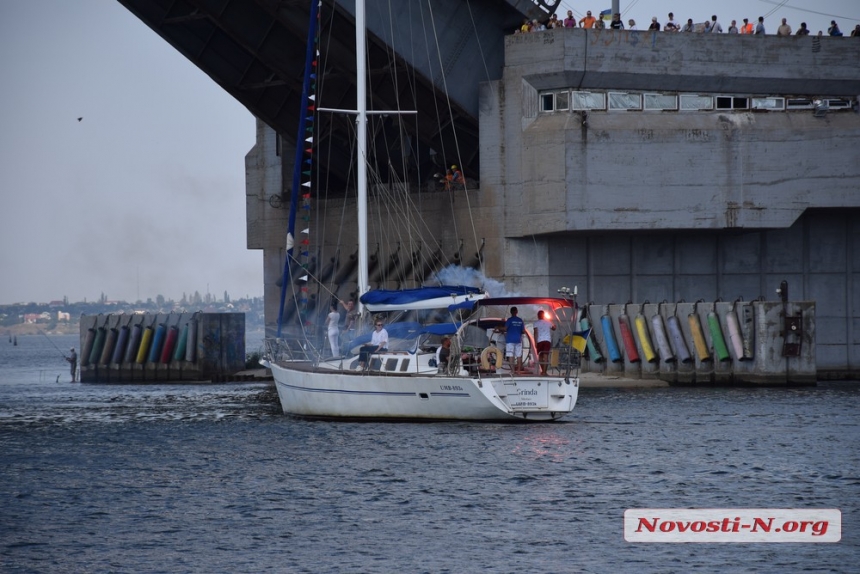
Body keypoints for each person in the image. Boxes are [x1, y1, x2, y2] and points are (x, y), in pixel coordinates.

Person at [500, 307, 526, 373]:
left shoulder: (509, 320)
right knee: (519, 356)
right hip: (518, 340)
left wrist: (498, 328)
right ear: (517, 312)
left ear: (511, 312)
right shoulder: (520, 320)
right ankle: (519, 371)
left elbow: (505, 329)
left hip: (510, 340)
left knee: (511, 355)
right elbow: (523, 331)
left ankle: (513, 371)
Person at [533, 310, 556, 376]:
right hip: (547, 340)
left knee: (540, 356)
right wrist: (553, 323)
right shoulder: (548, 322)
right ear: (543, 315)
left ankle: (543, 370)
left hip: (540, 340)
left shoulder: (536, 323)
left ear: (538, 316)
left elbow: (535, 333)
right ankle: (544, 372)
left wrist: (535, 342)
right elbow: (554, 328)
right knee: (546, 356)